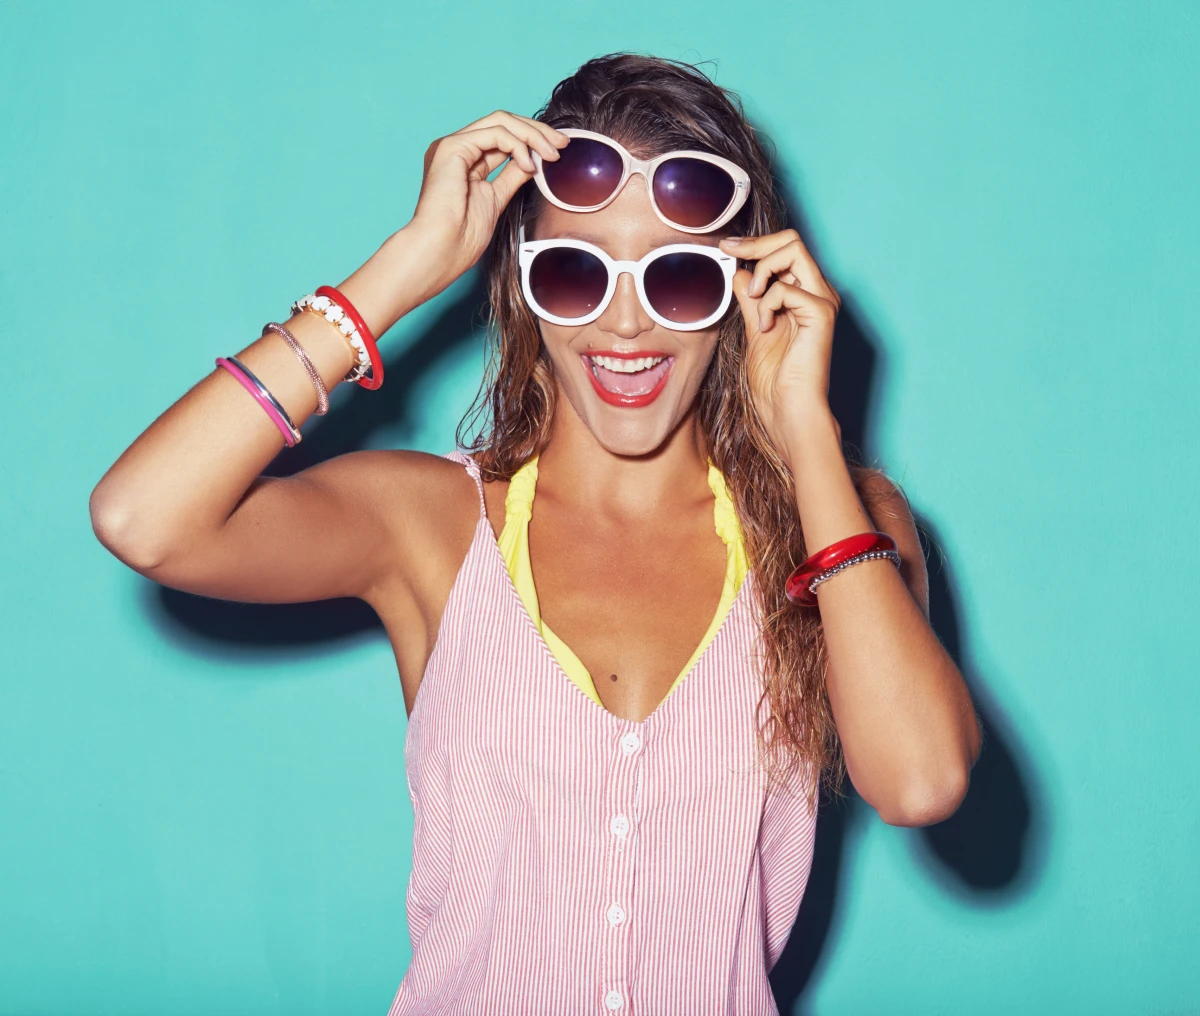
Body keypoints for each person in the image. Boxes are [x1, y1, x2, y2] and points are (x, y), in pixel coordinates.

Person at [91, 52, 981, 1015]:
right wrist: (404, 270)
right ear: (520, 288)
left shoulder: (841, 526)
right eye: (575, 272)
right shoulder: (432, 524)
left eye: (677, 278)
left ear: (739, 292)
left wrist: (803, 427)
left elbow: (922, 781)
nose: (628, 324)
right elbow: (144, 519)